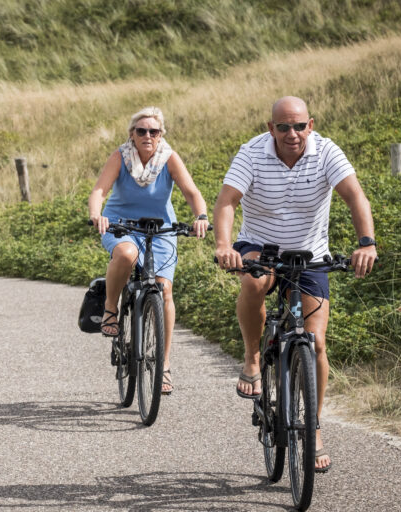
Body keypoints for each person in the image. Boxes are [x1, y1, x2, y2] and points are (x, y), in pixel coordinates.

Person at [213, 96, 378, 473]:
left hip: (310, 254)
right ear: (270, 127)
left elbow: (355, 197)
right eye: (283, 126)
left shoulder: (326, 152)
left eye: (299, 126)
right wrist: (224, 246)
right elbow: (227, 202)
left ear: (311, 125)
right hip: (260, 245)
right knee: (254, 283)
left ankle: (314, 426)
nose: (292, 134)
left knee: (316, 342)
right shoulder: (252, 152)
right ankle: (253, 358)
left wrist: (366, 242)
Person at [89, 107, 210, 395]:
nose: (147, 136)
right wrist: (97, 215)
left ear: (160, 135)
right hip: (121, 225)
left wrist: (201, 216)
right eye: (141, 131)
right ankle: (111, 309)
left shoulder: (169, 158)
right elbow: (99, 192)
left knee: (164, 289)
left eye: (153, 131)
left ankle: (164, 365)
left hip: (160, 229)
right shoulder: (120, 156)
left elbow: (192, 193)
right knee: (127, 255)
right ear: (132, 134)